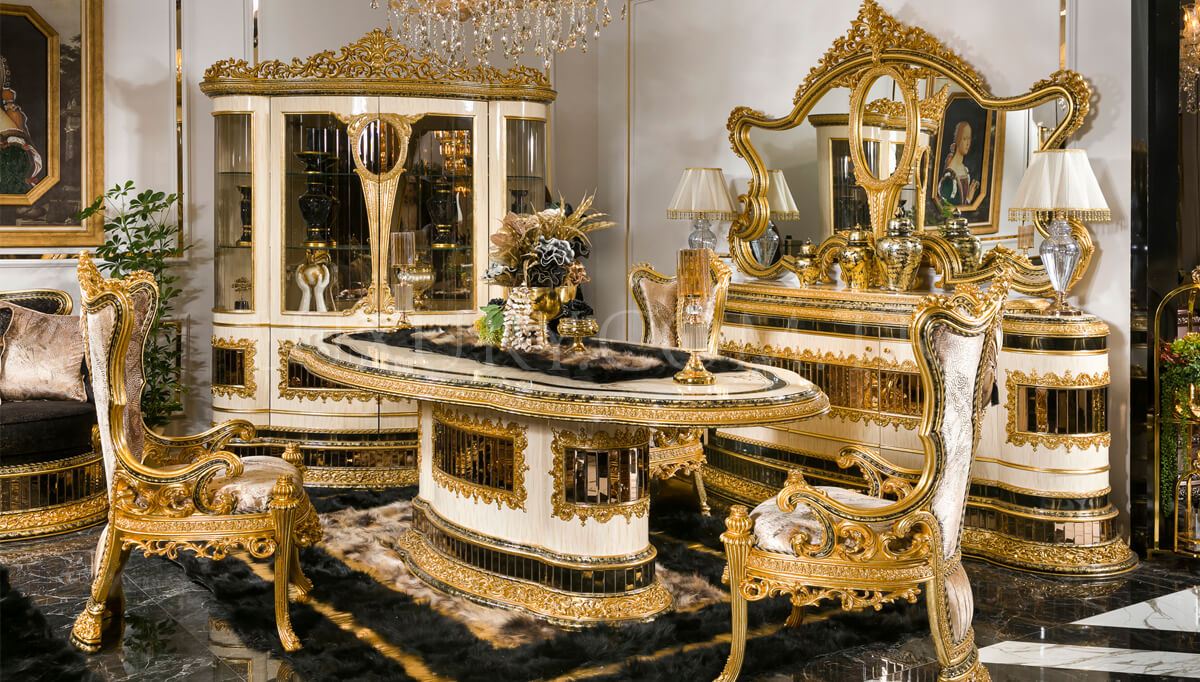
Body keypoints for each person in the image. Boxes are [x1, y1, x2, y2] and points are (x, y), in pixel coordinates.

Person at [937, 120, 980, 207]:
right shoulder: (950, 173)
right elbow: (947, 206)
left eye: (969, 139)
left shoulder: (965, 169)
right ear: (958, 140)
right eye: (964, 139)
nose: (968, 143)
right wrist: (968, 199)